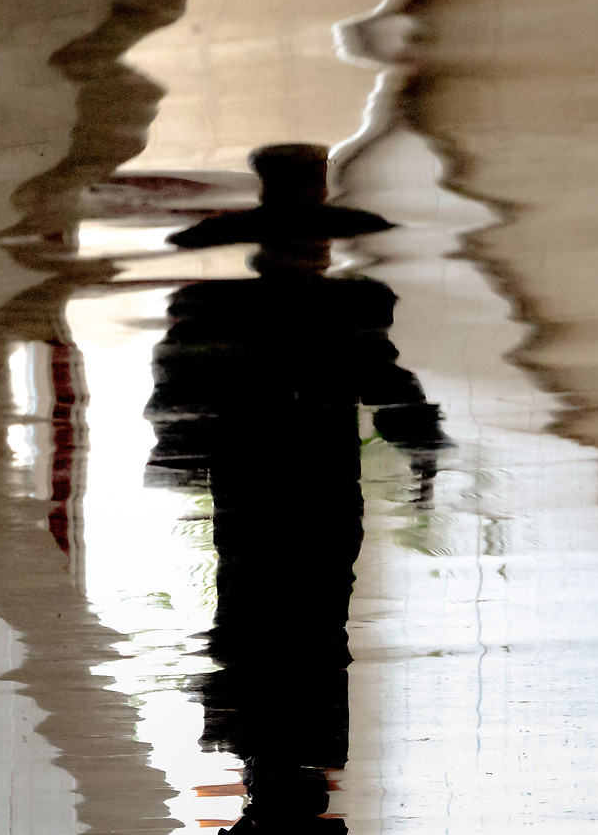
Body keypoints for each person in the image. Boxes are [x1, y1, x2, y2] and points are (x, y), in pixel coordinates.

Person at [147, 143, 443, 833]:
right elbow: (387, 382)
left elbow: (176, 402)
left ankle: (273, 762)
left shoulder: (212, 307)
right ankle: (292, 762)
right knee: (306, 621)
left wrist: (180, 457)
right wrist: (422, 438)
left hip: (264, 493)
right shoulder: (346, 305)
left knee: (262, 617)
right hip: (315, 494)